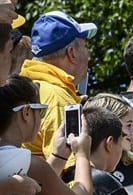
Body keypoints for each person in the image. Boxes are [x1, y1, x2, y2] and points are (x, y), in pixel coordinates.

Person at [21, 11, 96, 158]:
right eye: (85, 46)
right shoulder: (59, 100)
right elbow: (69, 173)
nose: (88, 54)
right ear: (72, 53)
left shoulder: (23, 86)